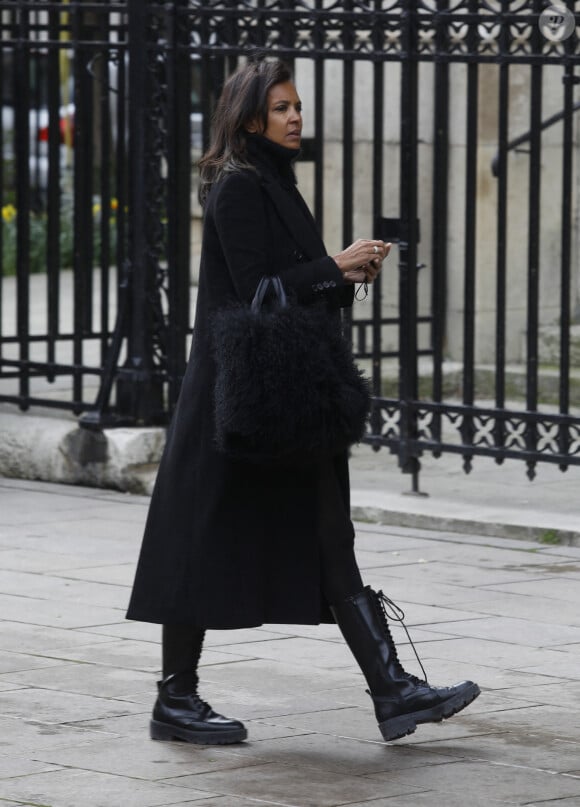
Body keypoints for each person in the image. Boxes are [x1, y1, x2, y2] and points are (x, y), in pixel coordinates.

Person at [126, 58, 480, 746]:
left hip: (284, 392)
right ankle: (175, 697)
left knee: (328, 529)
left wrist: (344, 274)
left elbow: (290, 284)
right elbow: (258, 289)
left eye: (298, 106)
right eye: (282, 107)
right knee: (200, 534)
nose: (296, 117)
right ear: (251, 115)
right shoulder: (236, 186)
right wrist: (333, 267)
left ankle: (392, 690)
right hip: (240, 393)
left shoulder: (273, 182)